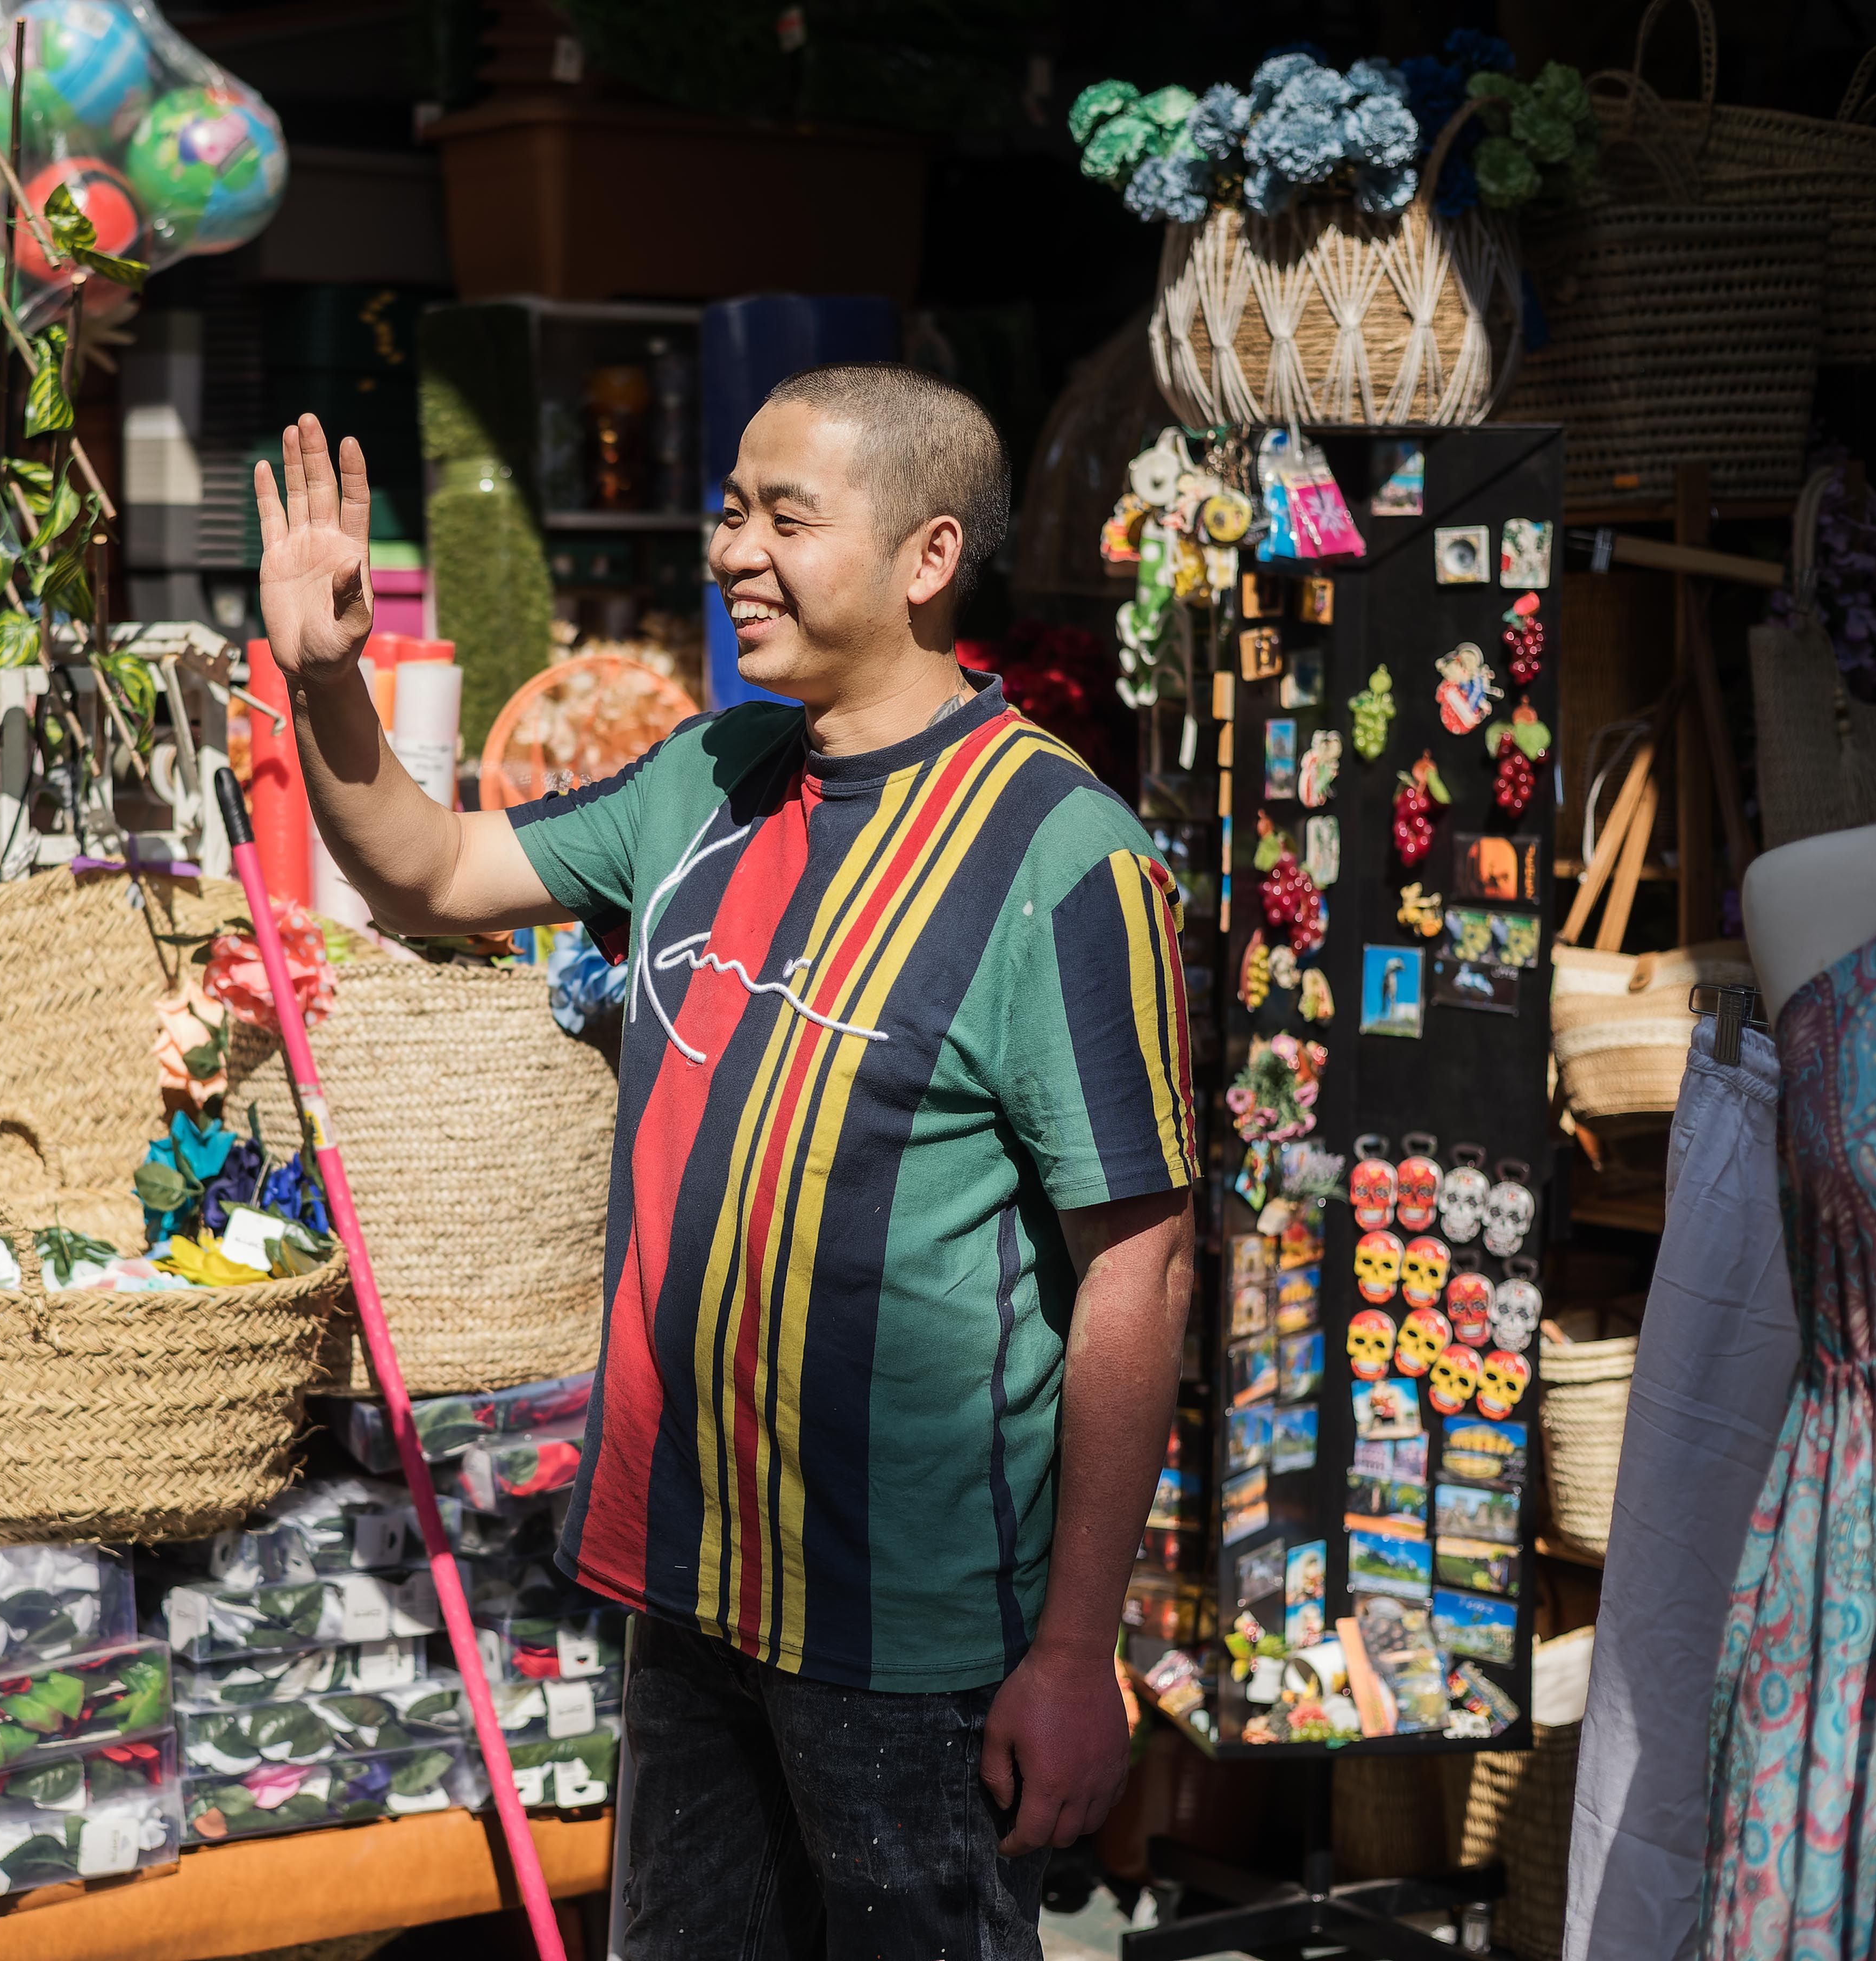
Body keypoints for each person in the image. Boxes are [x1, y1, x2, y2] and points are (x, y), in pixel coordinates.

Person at [255, 364, 1197, 1960]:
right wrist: (328, 682)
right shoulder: (709, 777)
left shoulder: (1065, 854)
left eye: (786, 517)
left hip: (915, 1639)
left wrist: (1074, 1649)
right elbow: (427, 869)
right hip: (689, 1580)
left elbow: (1140, 1266)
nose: (730, 549)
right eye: (728, 508)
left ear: (926, 557)